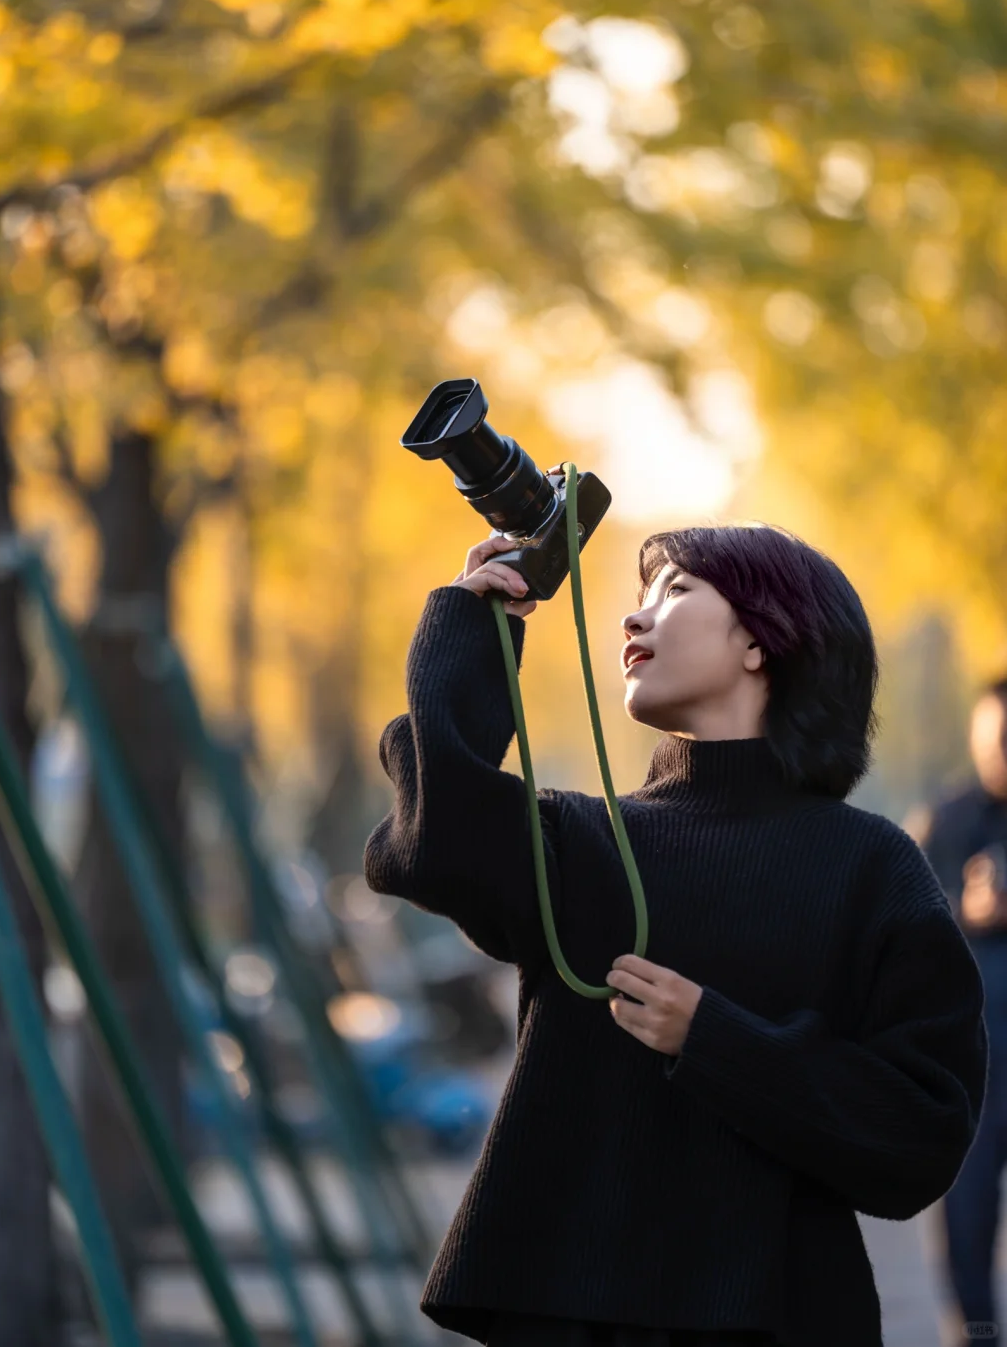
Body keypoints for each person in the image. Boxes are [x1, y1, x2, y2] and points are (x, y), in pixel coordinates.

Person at [364, 522, 989, 1347]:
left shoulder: (872, 866)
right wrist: (473, 630)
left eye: (676, 590)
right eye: (639, 597)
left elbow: (921, 1134)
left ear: (764, 638)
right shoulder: (585, 843)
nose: (634, 619)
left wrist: (715, 1039)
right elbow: (431, 839)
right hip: (569, 1315)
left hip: (778, 1319)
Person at [918, 679, 1007, 1347]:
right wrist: (965, 911)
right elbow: (906, 927)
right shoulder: (944, 821)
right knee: (967, 1233)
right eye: (995, 736)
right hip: (970, 1074)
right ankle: (977, 1335)